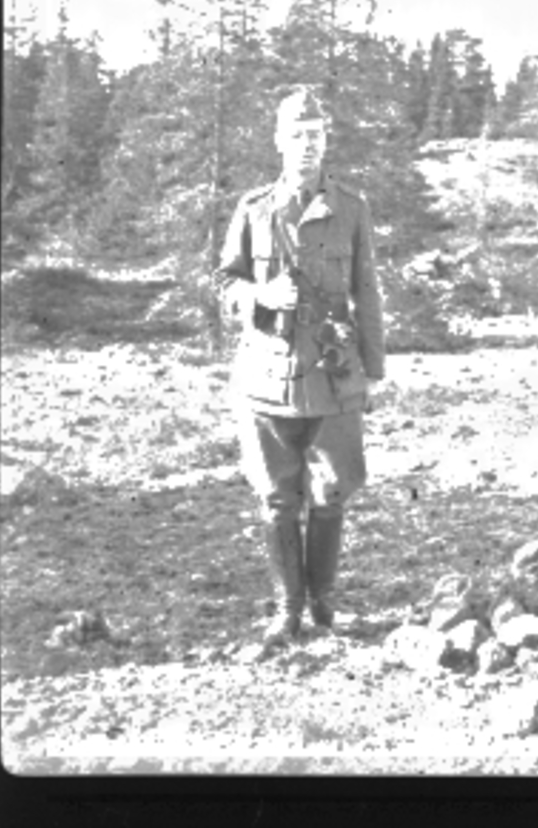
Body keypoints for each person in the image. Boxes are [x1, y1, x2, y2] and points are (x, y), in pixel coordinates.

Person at [215, 85, 386, 655]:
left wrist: (374, 369)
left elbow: (367, 290)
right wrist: (261, 295)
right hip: (267, 375)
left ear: (325, 141)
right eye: (297, 134)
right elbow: (225, 282)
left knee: (332, 492)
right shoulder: (254, 209)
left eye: (316, 135)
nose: (307, 145)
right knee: (278, 497)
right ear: (278, 141)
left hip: (333, 374)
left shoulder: (352, 208)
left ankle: (323, 603)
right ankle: (287, 610)